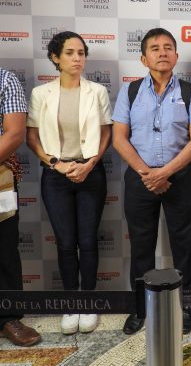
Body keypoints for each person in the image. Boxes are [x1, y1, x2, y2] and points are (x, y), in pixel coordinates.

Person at [112, 27, 191, 335]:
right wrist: (148, 174)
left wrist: (165, 173)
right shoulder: (130, 91)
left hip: (180, 177)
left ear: (176, 56)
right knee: (141, 246)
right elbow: (119, 138)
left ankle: (185, 305)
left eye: (168, 47)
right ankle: (140, 307)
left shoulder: (190, 92)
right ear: (144, 59)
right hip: (140, 178)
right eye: (155, 48)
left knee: (184, 245)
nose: (162, 52)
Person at [27, 31, 112, 335]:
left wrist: (89, 164)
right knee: (65, 242)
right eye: (70, 53)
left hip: (91, 172)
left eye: (81, 53)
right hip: (55, 175)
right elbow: (32, 137)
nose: (77, 59)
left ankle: (88, 302)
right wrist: (56, 164)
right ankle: (70, 303)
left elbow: (106, 132)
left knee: (87, 240)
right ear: (55, 57)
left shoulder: (97, 91)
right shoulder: (41, 93)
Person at [0, 68, 41, 347]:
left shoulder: (5, 79)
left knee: (4, 247)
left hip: (0, 176)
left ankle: (8, 317)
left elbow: (14, 134)